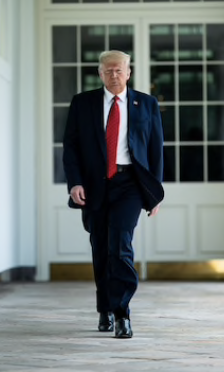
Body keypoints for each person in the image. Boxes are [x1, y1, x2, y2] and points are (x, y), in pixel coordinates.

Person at [62, 50, 164, 339]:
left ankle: (122, 313)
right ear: (100, 73)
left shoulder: (146, 104)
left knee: (120, 245)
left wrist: (154, 192)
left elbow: (156, 150)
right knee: (101, 247)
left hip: (130, 183)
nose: (114, 75)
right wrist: (75, 182)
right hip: (95, 185)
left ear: (128, 72)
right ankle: (104, 308)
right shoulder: (83, 104)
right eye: (108, 70)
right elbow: (71, 148)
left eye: (119, 70)